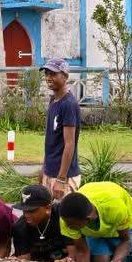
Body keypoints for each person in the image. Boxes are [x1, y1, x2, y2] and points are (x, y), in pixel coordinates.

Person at [57, 182, 132, 262]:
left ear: (87, 219)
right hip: (95, 228)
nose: (67, 227)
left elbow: (126, 240)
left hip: (125, 223)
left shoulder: (115, 208)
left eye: (72, 227)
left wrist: (116, 261)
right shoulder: (67, 219)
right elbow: (82, 251)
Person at [41, 58, 81, 199]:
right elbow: (51, 140)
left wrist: (61, 178)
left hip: (64, 176)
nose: (48, 78)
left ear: (64, 76)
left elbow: (69, 144)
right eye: (46, 73)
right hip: (50, 171)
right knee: (49, 218)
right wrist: (44, 169)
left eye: (53, 74)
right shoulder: (53, 101)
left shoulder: (68, 104)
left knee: (65, 219)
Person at [11, 184, 71, 262]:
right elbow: (24, 259)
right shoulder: (20, 227)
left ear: (48, 208)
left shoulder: (63, 216)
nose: (26, 215)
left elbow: (77, 250)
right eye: (24, 210)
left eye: (32, 211)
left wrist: (70, 258)